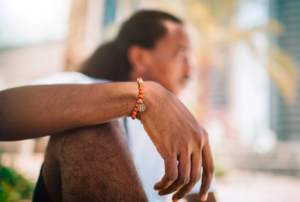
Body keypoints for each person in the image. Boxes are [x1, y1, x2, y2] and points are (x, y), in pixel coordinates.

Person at [0, 10, 215, 202]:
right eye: (181, 55)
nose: (190, 70)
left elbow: (205, 198)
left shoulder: (183, 128)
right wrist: (142, 96)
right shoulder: (82, 86)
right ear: (139, 57)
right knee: (91, 123)